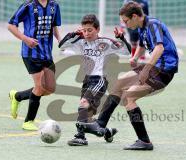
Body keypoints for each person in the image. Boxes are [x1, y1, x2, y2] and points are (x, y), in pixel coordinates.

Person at [77, 1, 179, 150]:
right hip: (154, 67)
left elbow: (159, 48)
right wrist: (136, 57)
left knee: (128, 97)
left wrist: (145, 69)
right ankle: (100, 124)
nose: (125, 24)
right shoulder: (142, 27)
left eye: (126, 21)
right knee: (118, 84)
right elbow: (144, 45)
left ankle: (144, 141)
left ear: (135, 16)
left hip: (164, 70)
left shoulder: (153, 24)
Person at [58, 14, 131, 146]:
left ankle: (80, 137)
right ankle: (107, 132)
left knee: (83, 103)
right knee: (88, 118)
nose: (86, 33)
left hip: (99, 80)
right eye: (84, 30)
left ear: (97, 29)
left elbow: (127, 52)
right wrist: (73, 34)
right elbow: (62, 46)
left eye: (90, 30)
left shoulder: (105, 43)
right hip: (86, 80)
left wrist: (121, 38)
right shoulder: (80, 42)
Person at [8, 0, 61, 131]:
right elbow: (11, 26)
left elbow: (54, 26)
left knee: (50, 89)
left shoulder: (54, 6)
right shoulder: (28, 5)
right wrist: (25, 39)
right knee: (40, 86)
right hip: (30, 53)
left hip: (47, 54)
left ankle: (17, 96)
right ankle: (28, 121)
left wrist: (60, 40)